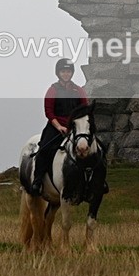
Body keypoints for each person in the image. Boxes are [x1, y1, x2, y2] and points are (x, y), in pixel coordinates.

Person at [30, 58, 89, 196]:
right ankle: (37, 181)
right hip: (56, 126)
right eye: (63, 71)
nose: (66, 74)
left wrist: (79, 125)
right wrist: (59, 127)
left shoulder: (78, 90)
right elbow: (49, 112)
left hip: (75, 127)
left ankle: (95, 181)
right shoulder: (52, 90)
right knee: (44, 149)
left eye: (68, 71)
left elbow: (84, 109)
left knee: (93, 148)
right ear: (58, 73)